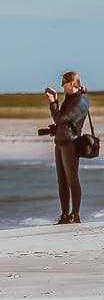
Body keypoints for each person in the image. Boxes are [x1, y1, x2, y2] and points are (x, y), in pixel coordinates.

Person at [46, 71, 89, 224]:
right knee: (62, 181)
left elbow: (61, 119)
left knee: (72, 179)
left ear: (71, 84)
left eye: (64, 85)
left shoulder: (81, 101)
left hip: (71, 143)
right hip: (60, 142)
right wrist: (57, 101)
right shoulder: (70, 99)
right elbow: (62, 122)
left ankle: (75, 215)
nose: (62, 88)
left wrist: (52, 103)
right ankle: (65, 214)